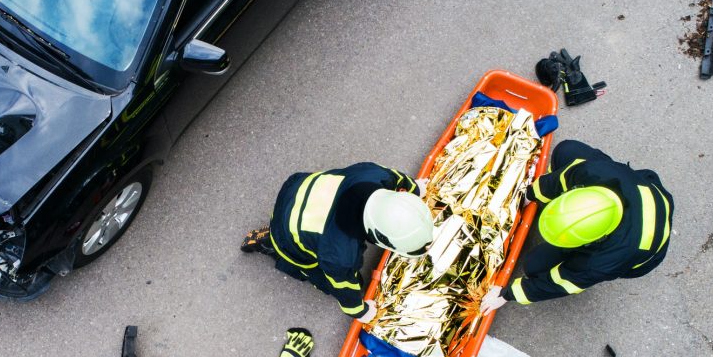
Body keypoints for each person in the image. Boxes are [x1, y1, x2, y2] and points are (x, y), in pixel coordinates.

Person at [480, 140, 673, 314]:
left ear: (594, 240)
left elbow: (564, 282)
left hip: (643, 256)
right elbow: (561, 179)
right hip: (640, 188)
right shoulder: (594, 173)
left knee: (534, 265)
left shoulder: (602, 261)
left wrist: (507, 294)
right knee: (566, 150)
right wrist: (528, 196)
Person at [242, 162, 434, 321]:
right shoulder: (340, 256)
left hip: (297, 187)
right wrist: (361, 312)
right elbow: (344, 288)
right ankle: (271, 244)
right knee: (327, 277)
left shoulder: (375, 175)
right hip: (286, 231)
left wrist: (415, 190)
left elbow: (399, 178)